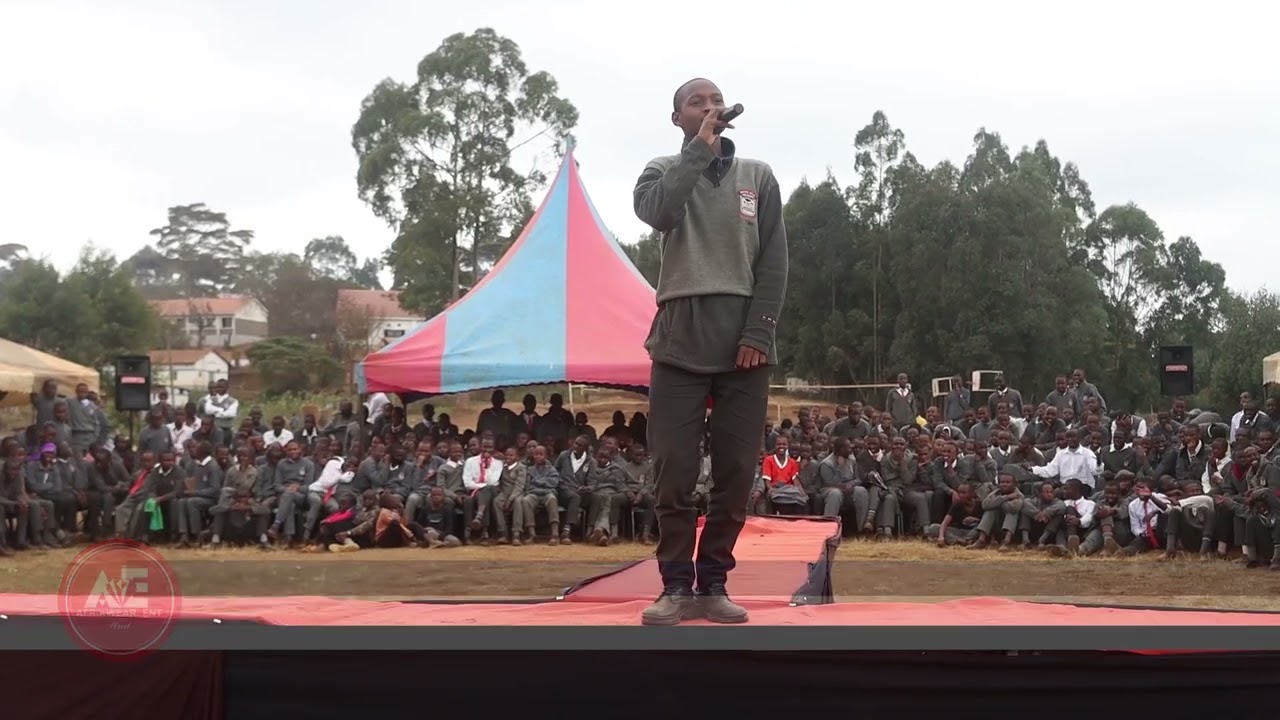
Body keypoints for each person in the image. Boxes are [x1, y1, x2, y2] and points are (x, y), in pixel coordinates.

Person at [633, 77, 788, 625]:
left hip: (743, 344)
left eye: (716, 100)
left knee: (736, 473)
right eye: (696, 102)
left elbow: (773, 262)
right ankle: (675, 585)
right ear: (676, 118)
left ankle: (714, 582)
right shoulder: (660, 171)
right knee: (673, 470)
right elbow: (659, 213)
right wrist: (698, 149)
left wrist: (758, 334)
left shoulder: (758, 177)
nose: (709, 107)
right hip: (679, 338)